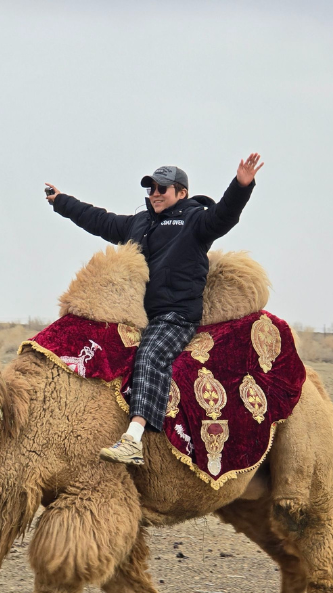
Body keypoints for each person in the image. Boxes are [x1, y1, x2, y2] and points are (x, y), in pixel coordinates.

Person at [45, 154, 264, 465]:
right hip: (141, 316)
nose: (155, 193)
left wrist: (241, 186)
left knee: (150, 355)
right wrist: (60, 201)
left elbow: (224, 216)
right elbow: (98, 219)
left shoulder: (195, 220)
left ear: (181, 193)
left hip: (176, 316)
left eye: (163, 187)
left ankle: (134, 440)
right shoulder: (139, 223)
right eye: (151, 188)